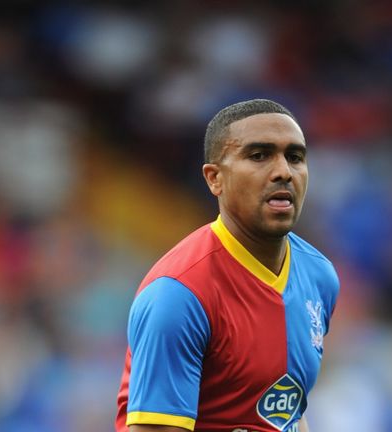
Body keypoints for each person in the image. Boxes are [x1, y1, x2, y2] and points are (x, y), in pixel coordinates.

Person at [115, 99, 339, 432]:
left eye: (295, 157)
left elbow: (288, 412)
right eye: (259, 155)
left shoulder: (319, 276)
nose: (283, 172)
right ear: (214, 179)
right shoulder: (179, 294)